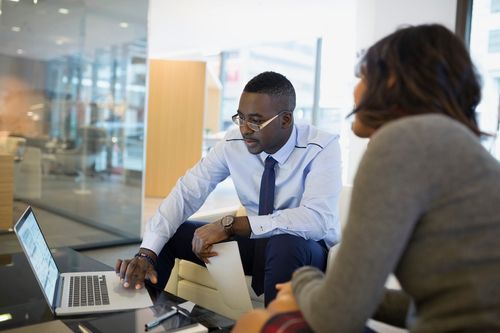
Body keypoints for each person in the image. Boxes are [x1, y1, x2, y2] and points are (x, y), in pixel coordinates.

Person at [233, 24, 500, 333]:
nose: (355, 88)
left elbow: (336, 317)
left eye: (362, 75)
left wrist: (301, 283)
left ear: (392, 82)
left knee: (254, 322)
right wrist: (317, 287)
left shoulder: (403, 141)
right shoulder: (456, 147)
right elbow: (432, 306)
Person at [116, 71, 342, 305]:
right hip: (258, 245)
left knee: (284, 243)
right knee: (172, 232)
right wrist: (146, 252)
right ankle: (141, 315)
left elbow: (317, 219)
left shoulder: (322, 147)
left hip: (307, 251)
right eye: (241, 118)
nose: (245, 129)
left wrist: (232, 226)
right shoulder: (234, 143)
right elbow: (188, 191)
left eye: (255, 121)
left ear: (285, 119)